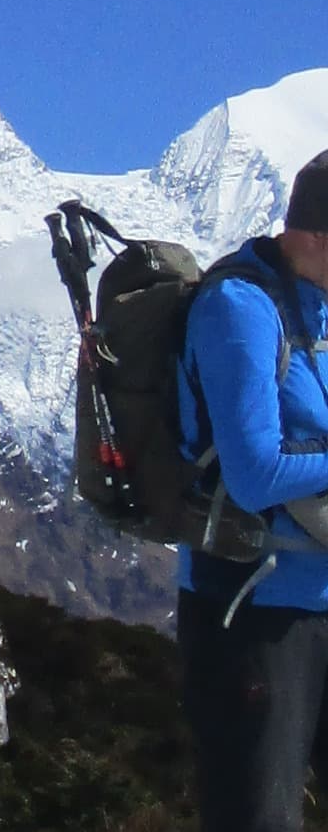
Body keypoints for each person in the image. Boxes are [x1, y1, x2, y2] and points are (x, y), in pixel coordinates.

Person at [178, 149, 328, 832]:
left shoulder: (318, 307)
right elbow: (254, 472)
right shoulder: (238, 306)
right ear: (317, 235)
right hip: (254, 608)